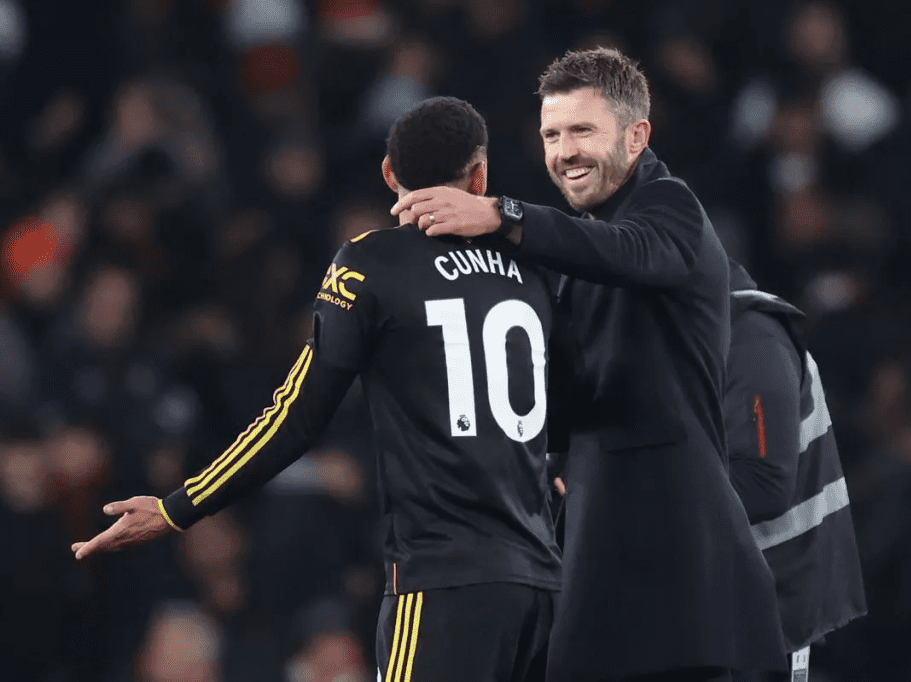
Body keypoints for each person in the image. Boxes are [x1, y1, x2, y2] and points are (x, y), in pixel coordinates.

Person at [71, 97, 561, 682]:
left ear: (389, 174)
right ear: (479, 177)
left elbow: (296, 415)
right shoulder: (535, 271)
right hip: (543, 586)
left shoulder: (371, 263)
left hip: (443, 583)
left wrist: (178, 507)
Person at [392, 48, 787, 682]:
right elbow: (577, 392)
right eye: (551, 135)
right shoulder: (581, 247)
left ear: (636, 136)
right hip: (602, 561)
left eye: (582, 131)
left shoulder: (670, 206)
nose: (564, 152)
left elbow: (633, 253)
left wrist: (502, 214)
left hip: (684, 571)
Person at [726, 260, 868, 682]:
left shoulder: (750, 335)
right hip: (734, 607)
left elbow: (764, 485)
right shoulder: (698, 333)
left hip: (778, 611)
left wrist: (636, 488)